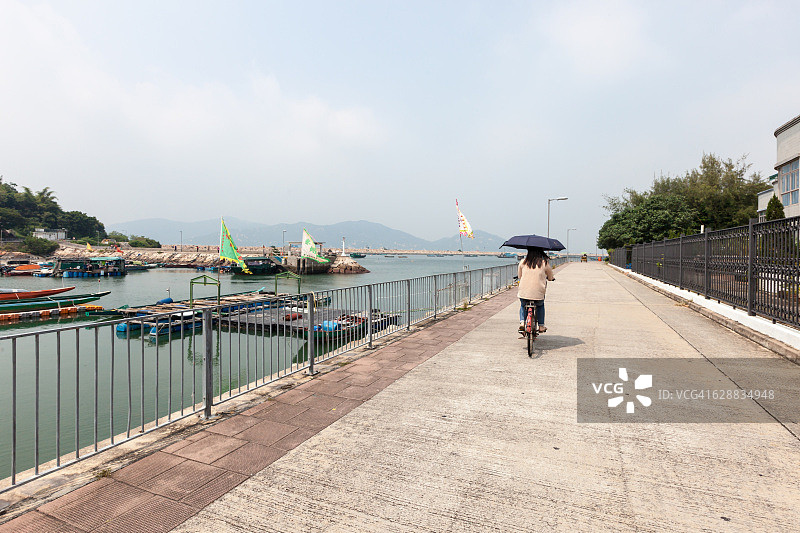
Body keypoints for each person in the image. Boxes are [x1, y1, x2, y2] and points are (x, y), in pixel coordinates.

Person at [517, 247, 555, 333]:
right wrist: (551, 278)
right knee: (540, 306)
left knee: (523, 305)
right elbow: (550, 276)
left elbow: (519, 276)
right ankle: (541, 326)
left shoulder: (523, 262)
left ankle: (522, 323)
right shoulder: (544, 263)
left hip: (524, 292)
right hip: (538, 293)